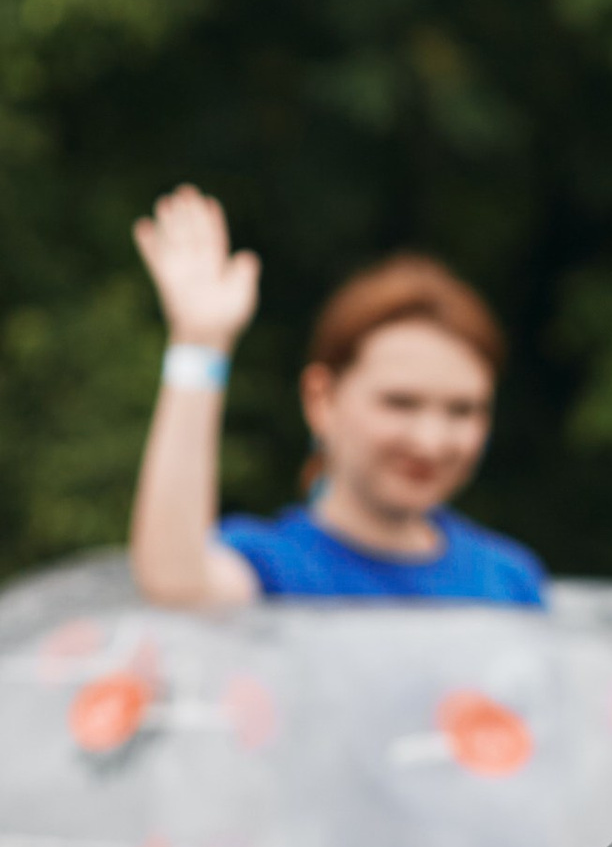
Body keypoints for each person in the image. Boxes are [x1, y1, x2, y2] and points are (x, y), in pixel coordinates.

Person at [127, 186, 546, 607]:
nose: (430, 441)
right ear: (322, 400)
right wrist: (199, 345)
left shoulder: (509, 580)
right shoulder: (272, 565)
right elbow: (178, 586)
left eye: (462, 410)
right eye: (400, 403)